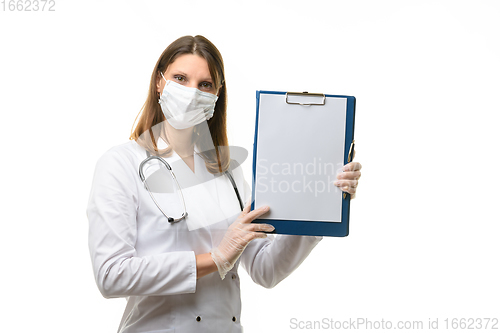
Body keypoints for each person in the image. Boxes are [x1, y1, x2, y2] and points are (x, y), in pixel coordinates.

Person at [87, 35, 362, 333]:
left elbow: (265, 270)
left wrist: (320, 202)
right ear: (159, 82)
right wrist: (215, 259)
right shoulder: (120, 164)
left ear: (217, 94)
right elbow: (111, 275)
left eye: (205, 84)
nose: (192, 93)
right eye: (180, 78)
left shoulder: (227, 172)